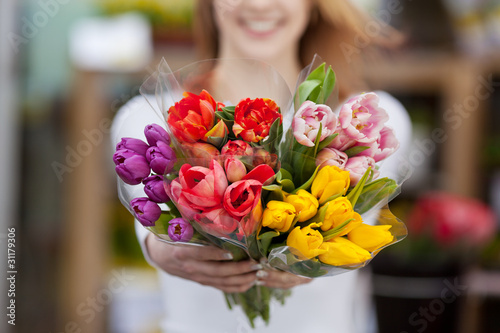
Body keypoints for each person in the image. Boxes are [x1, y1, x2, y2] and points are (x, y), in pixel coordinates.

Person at [111, 0, 413, 332]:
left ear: (314, 5)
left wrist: (306, 255)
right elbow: (150, 223)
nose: (259, 4)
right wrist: (158, 249)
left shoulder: (366, 125)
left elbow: (353, 235)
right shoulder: (149, 119)